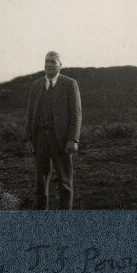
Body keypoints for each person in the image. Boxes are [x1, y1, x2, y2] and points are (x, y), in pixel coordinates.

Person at [23, 51, 82, 210]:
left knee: (64, 181)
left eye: (53, 61)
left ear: (60, 65)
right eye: (47, 61)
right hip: (40, 139)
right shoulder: (36, 85)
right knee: (40, 182)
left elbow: (76, 114)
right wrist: (28, 138)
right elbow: (30, 113)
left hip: (61, 140)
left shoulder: (69, 84)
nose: (49, 64)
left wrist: (73, 139)